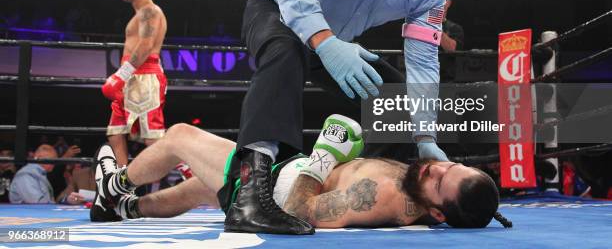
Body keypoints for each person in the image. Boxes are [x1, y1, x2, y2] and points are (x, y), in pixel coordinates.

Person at [230, 0, 466, 233]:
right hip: (280, 13)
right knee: (285, 49)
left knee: (394, 102)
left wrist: (425, 135)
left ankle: (356, 189)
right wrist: (324, 42)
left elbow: (422, 62)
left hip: (336, 42)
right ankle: (246, 199)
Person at [90, 115, 511, 230]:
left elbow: (298, 211)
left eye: (440, 180)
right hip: (282, 171)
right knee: (196, 191)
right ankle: (123, 210)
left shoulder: (382, 196)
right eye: (450, 165)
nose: (436, 167)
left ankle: (115, 184)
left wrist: (325, 158)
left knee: (180, 135)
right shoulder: (416, 182)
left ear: (437, 212)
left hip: (270, 191)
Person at [102, 0, 168, 167]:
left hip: (144, 76)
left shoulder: (150, 11)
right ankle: (122, 186)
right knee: (116, 131)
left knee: (152, 137)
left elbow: (146, 45)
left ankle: (186, 172)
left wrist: (120, 75)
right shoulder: (140, 14)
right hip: (131, 76)